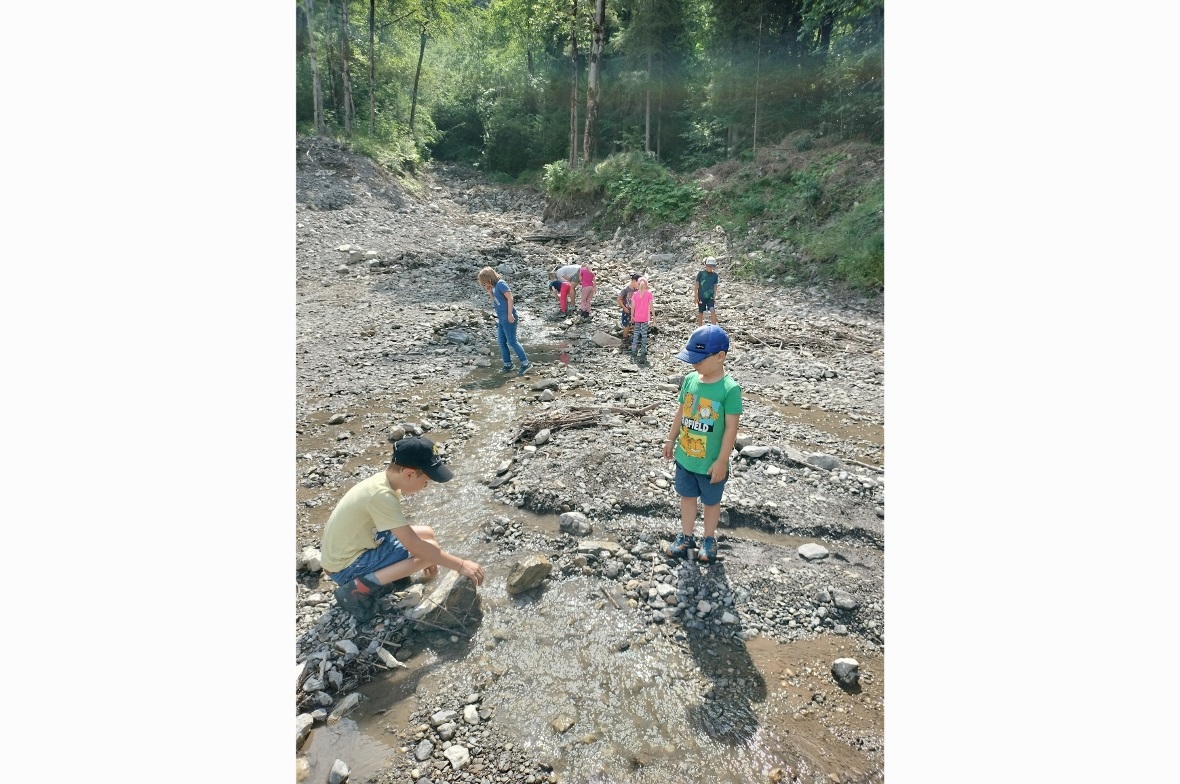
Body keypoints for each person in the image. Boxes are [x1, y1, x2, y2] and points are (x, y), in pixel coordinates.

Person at [322, 435, 487, 623]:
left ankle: (392, 574)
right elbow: (415, 546)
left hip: (352, 549)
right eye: (426, 481)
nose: (426, 486)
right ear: (409, 474)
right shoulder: (382, 495)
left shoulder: (384, 482)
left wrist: (425, 551)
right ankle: (356, 589)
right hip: (344, 567)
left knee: (427, 533)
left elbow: (402, 534)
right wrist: (461, 565)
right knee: (426, 554)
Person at [662, 325, 742, 564]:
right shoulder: (689, 380)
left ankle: (708, 538)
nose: (694, 363)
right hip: (685, 457)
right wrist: (671, 438)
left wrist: (722, 461)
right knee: (686, 497)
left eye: (699, 359)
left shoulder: (729, 389)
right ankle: (687, 537)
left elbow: (731, 429)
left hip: (710, 463)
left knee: (711, 502)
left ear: (720, 356)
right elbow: (681, 412)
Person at [478, 266, 532, 375]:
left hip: (508, 317)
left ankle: (526, 364)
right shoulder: (494, 287)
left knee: (512, 341)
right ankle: (508, 365)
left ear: (489, 277)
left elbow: (510, 298)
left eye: (484, 281)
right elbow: (496, 301)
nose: (484, 283)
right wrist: (490, 292)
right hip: (501, 318)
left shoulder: (501, 284)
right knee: (502, 342)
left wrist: (510, 314)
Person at [630, 276, 653, 362]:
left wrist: (632, 316)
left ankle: (633, 350)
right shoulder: (649, 294)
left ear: (638, 285)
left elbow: (633, 307)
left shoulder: (635, 294)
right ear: (646, 285)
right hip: (645, 318)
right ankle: (643, 350)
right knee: (644, 334)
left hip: (637, 317)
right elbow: (651, 307)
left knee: (636, 333)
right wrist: (654, 317)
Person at [694, 257, 720, 326]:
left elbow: (715, 287)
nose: (710, 268)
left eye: (711, 266)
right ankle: (700, 327)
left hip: (710, 297)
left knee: (712, 310)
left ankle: (714, 327)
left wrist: (714, 297)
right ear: (705, 265)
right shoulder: (701, 274)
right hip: (701, 296)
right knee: (700, 312)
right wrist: (695, 297)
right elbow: (696, 285)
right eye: (708, 266)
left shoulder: (715, 275)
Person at [617, 273, 640, 342]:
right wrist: (624, 307)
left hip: (635, 310)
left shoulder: (637, 290)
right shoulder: (626, 290)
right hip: (627, 310)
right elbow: (619, 299)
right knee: (627, 325)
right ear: (634, 281)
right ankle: (625, 338)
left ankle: (635, 338)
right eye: (638, 283)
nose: (639, 285)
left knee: (636, 325)